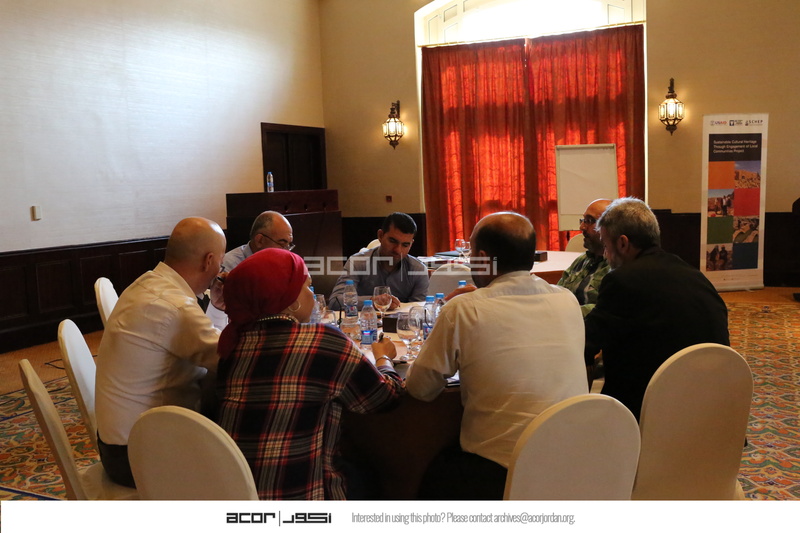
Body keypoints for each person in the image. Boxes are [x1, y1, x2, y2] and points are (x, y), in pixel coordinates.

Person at [405, 212, 587, 500]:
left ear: (483, 258)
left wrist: (386, 360)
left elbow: (420, 389)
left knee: (426, 478)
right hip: (572, 461)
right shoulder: (567, 300)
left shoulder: (464, 309)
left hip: (501, 471)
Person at [216, 248, 404, 500]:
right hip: (301, 494)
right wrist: (384, 358)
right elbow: (384, 398)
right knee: (381, 477)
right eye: (307, 287)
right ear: (289, 299)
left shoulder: (232, 345)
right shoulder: (321, 341)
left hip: (237, 496)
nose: (313, 297)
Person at [95, 217, 227, 487]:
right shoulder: (176, 306)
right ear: (209, 261)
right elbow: (234, 359)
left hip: (117, 443)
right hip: (137, 457)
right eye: (221, 263)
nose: (219, 270)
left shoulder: (147, 283)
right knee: (242, 442)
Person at [584, 197, 730, 420]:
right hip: (712, 408)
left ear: (622, 243)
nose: (605, 254)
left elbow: (587, 342)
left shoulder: (622, 281)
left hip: (654, 413)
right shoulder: (695, 276)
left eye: (605, 245)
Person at [205, 211, 294, 328]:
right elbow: (228, 318)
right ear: (260, 240)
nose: (287, 251)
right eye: (282, 244)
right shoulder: (231, 267)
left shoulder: (281, 263)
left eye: (289, 245)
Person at [329, 212, 428, 311]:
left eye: (405, 245)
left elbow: (418, 310)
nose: (398, 250)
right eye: (392, 241)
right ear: (380, 236)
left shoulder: (418, 270)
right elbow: (335, 301)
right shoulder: (358, 263)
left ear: (411, 244)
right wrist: (372, 301)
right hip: (365, 319)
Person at [557, 198, 612, 317]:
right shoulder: (582, 260)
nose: (582, 227)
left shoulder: (616, 266)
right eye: (583, 220)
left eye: (589, 221)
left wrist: (562, 313)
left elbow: (606, 309)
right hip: (566, 323)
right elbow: (558, 293)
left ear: (610, 227)